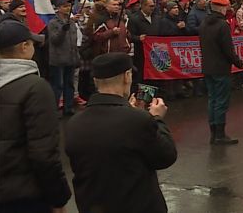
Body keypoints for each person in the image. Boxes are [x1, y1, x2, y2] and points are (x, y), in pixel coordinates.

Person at [65, 53, 177, 213]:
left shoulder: (74, 124)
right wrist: (157, 118)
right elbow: (167, 156)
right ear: (126, 76)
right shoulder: (138, 120)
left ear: (96, 81)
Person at [0, 21, 71, 213]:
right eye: (31, 43)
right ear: (24, 47)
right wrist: (59, 197)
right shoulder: (34, 87)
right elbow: (43, 152)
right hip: (23, 195)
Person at [199, 0, 243, 145]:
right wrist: (238, 63)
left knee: (212, 99)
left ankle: (213, 133)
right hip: (221, 68)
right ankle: (220, 134)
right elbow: (228, 50)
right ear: (222, 8)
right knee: (221, 102)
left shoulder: (204, 23)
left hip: (207, 67)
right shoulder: (222, 25)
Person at [47, 0, 82, 116]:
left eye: (68, 6)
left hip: (70, 58)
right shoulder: (53, 23)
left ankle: (68, 107)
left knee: (69, 84)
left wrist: (76, 56)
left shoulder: (71, 22)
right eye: (65, 6)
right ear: (58, 8)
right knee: (57, 85)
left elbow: (74, 41)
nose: (67, 8)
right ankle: (54, 109)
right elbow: (54, 40)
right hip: (58, 59)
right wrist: (63, 30)